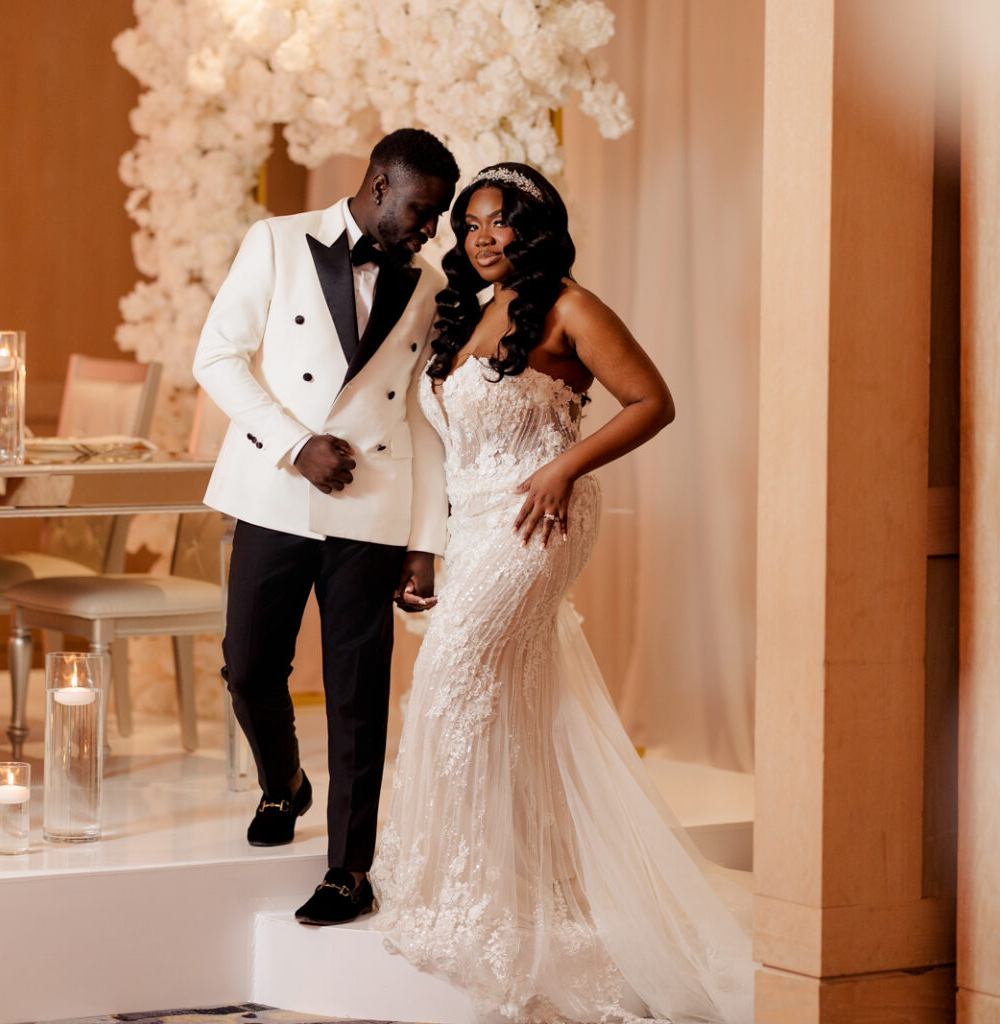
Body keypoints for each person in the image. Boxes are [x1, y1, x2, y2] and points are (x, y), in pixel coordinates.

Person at [373, 163, 753, 1022]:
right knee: (503, 698)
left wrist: (562, 467)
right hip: (474, 523)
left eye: (499, 221)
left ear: (535, 227)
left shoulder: (573, 306)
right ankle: (511, 885)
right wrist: (427, 546)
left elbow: (653, 401)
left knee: (456, 684)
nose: (480, 237)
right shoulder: (469, 306)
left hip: (540, 520)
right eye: (469, 223)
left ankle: (491, 902)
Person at [192, 128, 457, 926]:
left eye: (440, 216)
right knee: (249, 667)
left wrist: (426, 540)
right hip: (278, 493)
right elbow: (217, 357)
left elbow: (421, 416)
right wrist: (294, 444)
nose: (431, 230)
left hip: (373, 507)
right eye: (422, 209)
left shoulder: (431, 284)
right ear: (379, 185)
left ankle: (350, 869)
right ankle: (284, 782)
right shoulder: (275, 241)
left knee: (357, 695)